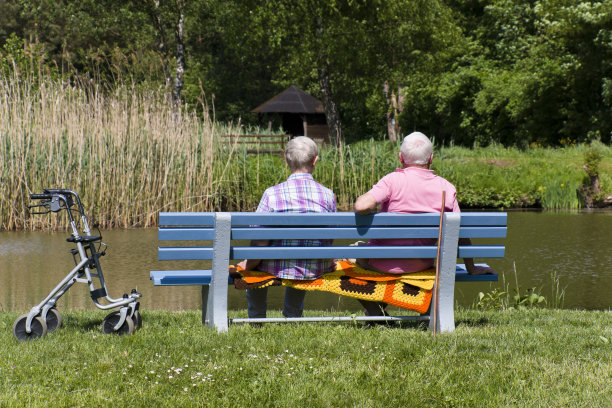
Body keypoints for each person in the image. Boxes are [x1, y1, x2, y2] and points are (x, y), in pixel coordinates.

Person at [354, 131, 495, 315]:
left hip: (380, 265)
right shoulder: (446, 187)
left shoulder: (392, 181)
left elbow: (361, 205)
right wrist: (471, 267)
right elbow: (459, 232)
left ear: (400, 158)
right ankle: (412, 307)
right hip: (421, 265)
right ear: (431, 158)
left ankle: (375, 310)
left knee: (350, 254)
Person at [237, 136, 337, 319]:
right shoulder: (327, 195)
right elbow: (328, 238)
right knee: (303, 255)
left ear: (286, 160)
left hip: (276, 267)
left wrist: (247, 264)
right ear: (315, 161)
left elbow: (259, 240)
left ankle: (257, 318)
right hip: (314, 267)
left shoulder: (272, 194)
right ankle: (292, 315)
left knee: (256, 263)